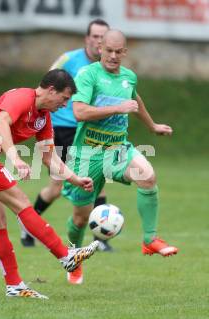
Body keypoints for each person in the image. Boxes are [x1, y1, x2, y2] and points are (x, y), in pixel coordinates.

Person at [0, 69, 100, 299]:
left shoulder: (43, 118)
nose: (65, 104)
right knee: (21, 202)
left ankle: (15, 286)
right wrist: (15, 158)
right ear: (51, 90)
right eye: (65, 98)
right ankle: (65, 256)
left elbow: (49, 158)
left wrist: (75, 179)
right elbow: (0, 124)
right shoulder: (21, 97)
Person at [62, 29, 179, 285]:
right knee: (81, 218)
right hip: (87, 154)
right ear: (100, 48)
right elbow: (79, 112)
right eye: (109, 51)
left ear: (124, 52)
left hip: (118, 149)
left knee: (147, 177)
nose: (113, 56)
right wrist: (117, 108)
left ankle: (149, 240)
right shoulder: (88, 75)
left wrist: (152, 126)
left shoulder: (129, 77)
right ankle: (73, 257)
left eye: (118, 52)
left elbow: (135, 100)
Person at [21, 19, 114, 254]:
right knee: (56, 186)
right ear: (87, 38)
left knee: (98, 181)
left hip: (89, 131)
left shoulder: (106, 68)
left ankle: (99, 237)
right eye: (95, 36)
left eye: (104, 37)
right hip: (63, 129)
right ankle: (28, 226)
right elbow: (45, 86)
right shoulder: (69, 60)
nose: (99, 41)